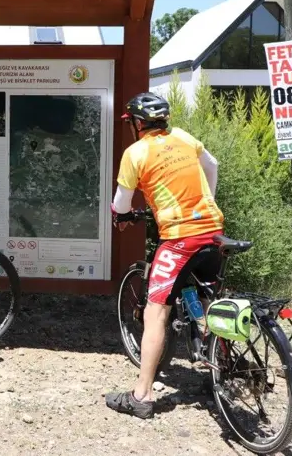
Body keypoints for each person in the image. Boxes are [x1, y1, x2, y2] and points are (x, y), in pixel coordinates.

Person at [105, 92, 223, 419]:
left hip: (179, 238)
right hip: (212, 229)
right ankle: (220, 363)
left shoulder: (136, 152)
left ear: (137, 124)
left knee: (155, 312)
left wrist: (120, 215)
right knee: (206, 293)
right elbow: (212, 166)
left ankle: (141, 396)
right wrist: (206, 205)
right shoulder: (183, 136)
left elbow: (122, 204)